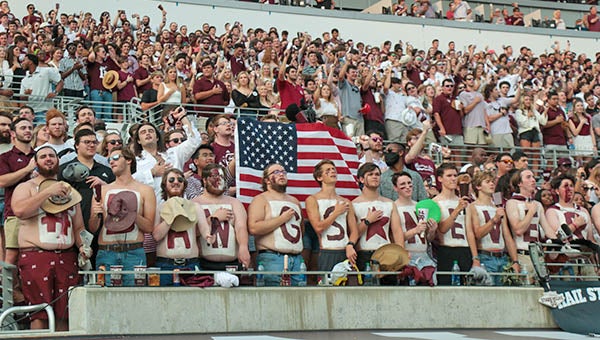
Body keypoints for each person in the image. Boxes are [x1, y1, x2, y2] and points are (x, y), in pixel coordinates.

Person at [12, 146, 87, 331]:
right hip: (36, 256)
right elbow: (20, 211)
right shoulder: (25, 187)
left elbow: (79, 227)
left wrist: (84, 246)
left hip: (67, 257)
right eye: (43, 156)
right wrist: (47, 192)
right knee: (40, 313)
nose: (48, 159)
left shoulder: (69, 191)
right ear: (35, 163)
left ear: (58, 161)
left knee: (65, 314)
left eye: (52, 156)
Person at [89, 147, 156, 286]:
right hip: (106, 251)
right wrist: (95, 215)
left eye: (115, 158)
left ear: (129, 160)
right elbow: (92, 227)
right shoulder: (102, 190)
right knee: (104, 299)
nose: (111, 162)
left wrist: (131, 213)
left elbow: (149, 227)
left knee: (135, 299)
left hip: (134, 251)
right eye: (109, 160)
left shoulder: (146, 190)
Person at [248, 163, 303, 286]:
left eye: (283, 171)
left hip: (297, 258)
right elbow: (253, 228)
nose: (281, 174)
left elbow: (301, 229)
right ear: (267, 180)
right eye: (276, 172)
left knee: (299, 298)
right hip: (272, 257)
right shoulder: (260, 199)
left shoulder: (295, 201)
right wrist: (282, 219)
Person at [153, 169, 208, 285]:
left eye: (180, 180)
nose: (176, 182)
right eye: (171, 180)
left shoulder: (195, 206)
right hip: (165, 265)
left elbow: (204, 228)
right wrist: (172, 215)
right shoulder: (160, 208)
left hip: (190, 264)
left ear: (184, 184)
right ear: (164, 184)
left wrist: (208, 236)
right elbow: (156, 236)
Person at [194, 163, 251, 271]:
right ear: (205, 180)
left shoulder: (235, 203)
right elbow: (192, 233)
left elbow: (241, 227)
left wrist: (243, 247)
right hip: (203, 262)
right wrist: (213, 218)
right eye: (214, 177)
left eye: (222, 178)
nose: (218, 181)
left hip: (232, 263)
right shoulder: (194, 203)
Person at [305, 160, 358, 272]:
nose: (332, 172)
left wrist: (350, 244)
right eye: (327, 170)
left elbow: (354, 230)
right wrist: (336, 213)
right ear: (320, 177)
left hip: (345, 250)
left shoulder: (346, 201)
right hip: (327, 250)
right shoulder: (313, 200)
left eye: (334, 169)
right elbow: (318, 227)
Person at [468, 171, 519, 285]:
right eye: (487, 182)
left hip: (503, 257)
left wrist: (515, 261)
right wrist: (494, 220)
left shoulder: (498, 206)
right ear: (478, 186)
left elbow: (506, 235)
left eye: (492, 182)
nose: (492, 184)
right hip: (485, 256)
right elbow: (478, 234)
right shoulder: (473, 207)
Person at [352, 162, 404, 271]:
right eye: (370, 174)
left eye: (377, 174)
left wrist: (401, 254)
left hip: (387, 252)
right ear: (361, 179)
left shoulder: (390, 203)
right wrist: (367, 221)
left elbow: (397, 232)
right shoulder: (354, 204)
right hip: (364, 253)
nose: (375, 177)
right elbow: (352, 234)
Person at [433, 163, 478, 285]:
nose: (453, 178)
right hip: (446, 248)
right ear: (440, 178)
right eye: (449, 175)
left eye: (455, 175)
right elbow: (441, 229)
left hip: (464, 248)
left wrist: (475, 257)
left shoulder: (464, 202)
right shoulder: (435, 202)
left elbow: (469, 231)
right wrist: (457, 210)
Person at [393, 171, 437, 276]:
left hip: (424, 254)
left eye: (409, 183)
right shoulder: (393, 208)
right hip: (406, 255)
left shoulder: (420, 206)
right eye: (403, 184)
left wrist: (432, 230)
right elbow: (393, 238)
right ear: (395, 188)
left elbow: (428, 238)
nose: (407, 187)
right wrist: (415, 231)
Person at [19, 53, 62, 121]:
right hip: (30, 113)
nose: (22, 63)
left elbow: (60, 81)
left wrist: (55, 92)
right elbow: (22, 99)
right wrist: (26, 94)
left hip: (45, 110)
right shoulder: (24, 80)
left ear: (30, 62)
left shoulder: (46, 71)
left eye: (24, 60)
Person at [433, 78, 463, 147]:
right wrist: (441, 128)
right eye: (447, 86)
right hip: (446, 131)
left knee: (459, 152)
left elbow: (461, 116)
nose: (450, 88)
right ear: (442, 87)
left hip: (457, 130)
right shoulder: (439, 99)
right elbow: (436, 114)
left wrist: (461, 109)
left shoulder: (456, 99)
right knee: (447, 153)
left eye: (451, 86)